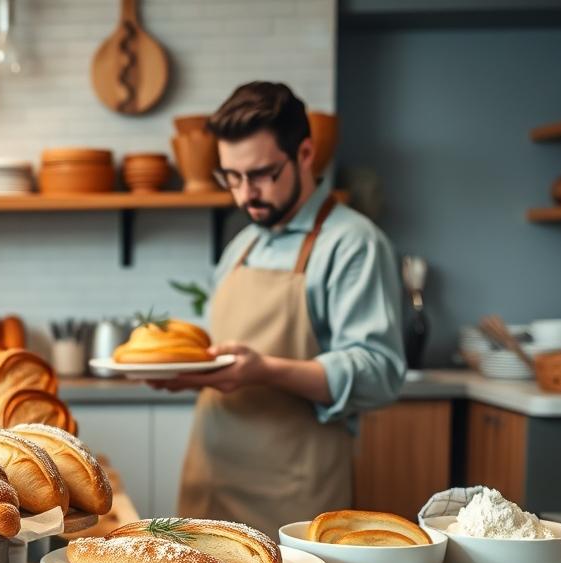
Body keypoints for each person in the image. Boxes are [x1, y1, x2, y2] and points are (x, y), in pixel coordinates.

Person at [162, 81, 405, 533]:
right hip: (209, 483)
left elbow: (380, 372)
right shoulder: (241, 246)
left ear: (306, 153)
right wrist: (188, 372)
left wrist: (266, 371)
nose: (243, 195)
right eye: (231, 177)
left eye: (260, 174)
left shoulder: (352, 244)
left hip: (290, 499)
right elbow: (226, 355)